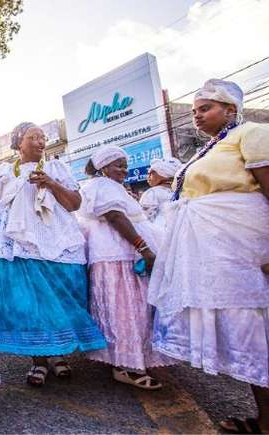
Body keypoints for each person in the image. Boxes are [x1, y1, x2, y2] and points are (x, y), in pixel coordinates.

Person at [148, 79, 269, 434]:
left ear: (230, 109)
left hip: (242, 248)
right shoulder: (212, 147)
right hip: (217, 254)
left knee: (254, 330)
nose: (197, 116)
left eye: (206, 109)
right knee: (243, 335)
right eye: (196, 110)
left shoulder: (251, 133)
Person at [0, 122, 105, 387]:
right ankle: (39, 361)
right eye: (33, 137)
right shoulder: (6, 171)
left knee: (57, 300)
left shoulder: (56, 167)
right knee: (28, 304)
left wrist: (51, 184)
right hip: (17, 247)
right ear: (18, 143)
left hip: (55, 242)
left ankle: (58, 356)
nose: (40, 141)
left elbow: (74, 203)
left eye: (42, 137)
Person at [78, 145, 172, 390]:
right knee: (126, 310)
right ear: (103, 168)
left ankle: (128, 359)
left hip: (120, 256)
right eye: (118, 165)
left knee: (127, 309)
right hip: (117, 257)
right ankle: (127, 365)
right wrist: (143, 247)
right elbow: (116, 217)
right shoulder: (102, 187)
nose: (124, 170)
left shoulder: (107, 186)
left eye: (125, 165)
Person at [138, 158, 181, 227]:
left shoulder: (152, 193)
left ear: (162, 174)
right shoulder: (180, 191)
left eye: (151, 173)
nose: (148, 177)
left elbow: (144, 220)